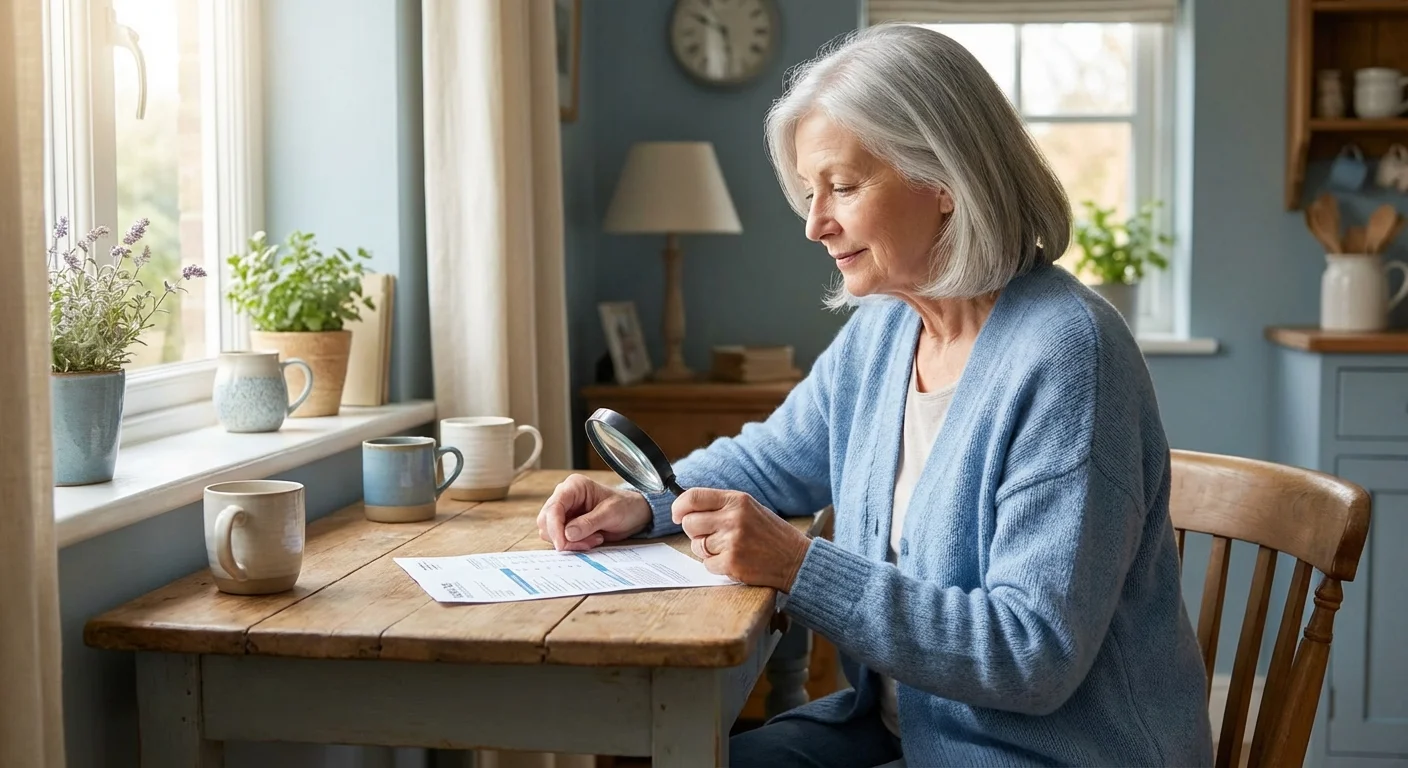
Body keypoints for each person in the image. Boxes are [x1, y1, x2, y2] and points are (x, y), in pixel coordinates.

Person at [538, 23, 1212, 767]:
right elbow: (770, 461)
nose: (813, 223)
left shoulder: (1068, 357)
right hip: (899, 730)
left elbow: (1031, 653)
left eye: (843, 187)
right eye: (808, 192)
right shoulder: (887, 329)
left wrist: (799, 567)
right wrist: (644, 501)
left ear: (947, 183)